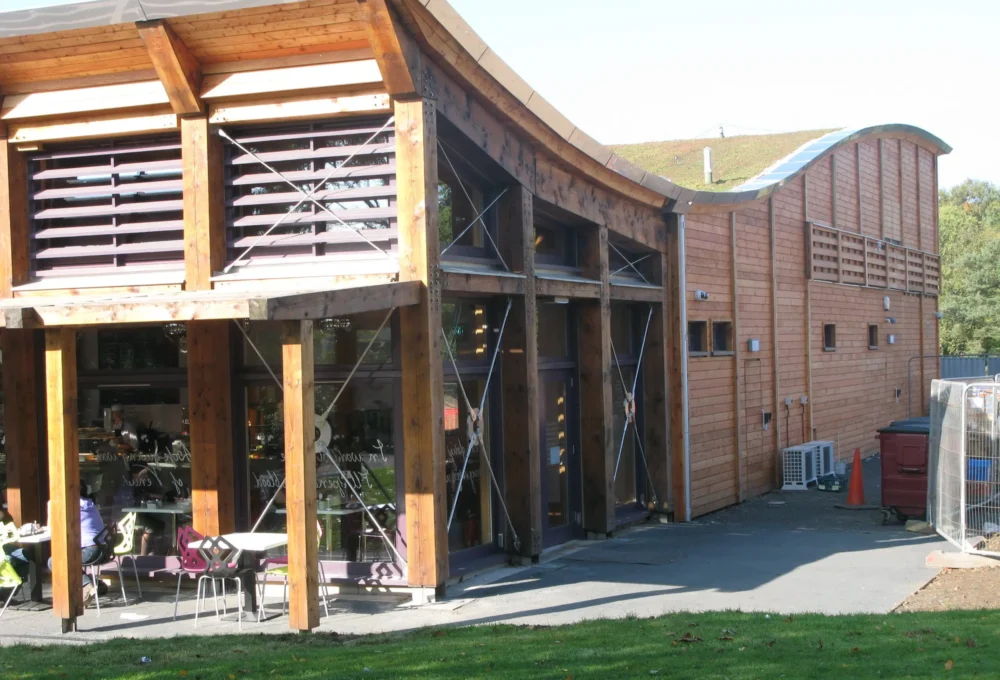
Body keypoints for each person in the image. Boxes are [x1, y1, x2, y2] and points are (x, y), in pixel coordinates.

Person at [47, 489, 107, 605]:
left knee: (54, 561)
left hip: (90, 551)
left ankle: (87, 586)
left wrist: (51, 505)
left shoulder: (72, 506)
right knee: (65, 559)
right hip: (103, 550)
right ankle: (91, 584)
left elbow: (52, 529)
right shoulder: (88, 503)